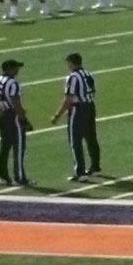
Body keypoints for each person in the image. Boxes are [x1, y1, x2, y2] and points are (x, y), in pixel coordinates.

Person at [55, 52, 99, 181]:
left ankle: (80, 172)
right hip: (90, 106)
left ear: (71, 62)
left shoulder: (73, 77)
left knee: (75, 141)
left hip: (78, 109)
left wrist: (58, 115)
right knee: (91, 138)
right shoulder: (87, 74)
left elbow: (68, 98)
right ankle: (95, 167)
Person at [0, 58, 25, 188]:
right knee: (19, 146)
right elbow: (15, 102)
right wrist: (23, 119)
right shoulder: (12, 83)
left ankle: (3, 176)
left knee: (4, 147)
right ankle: (20, 177)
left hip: (2, 115)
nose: (17, 70)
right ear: (10, 68)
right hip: (12, 116)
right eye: (16, 67)